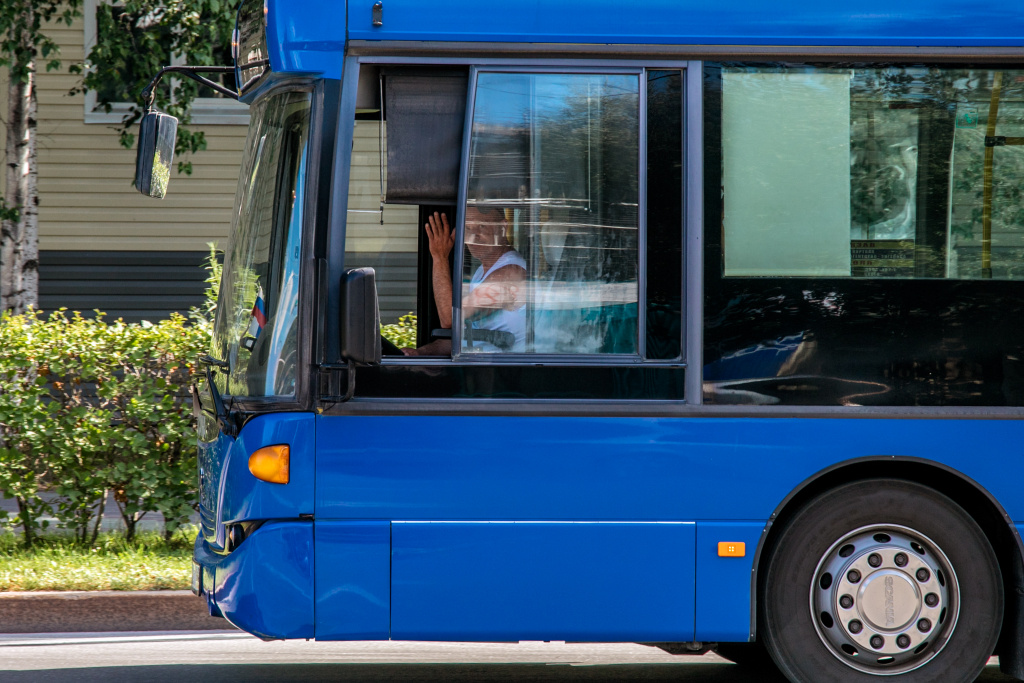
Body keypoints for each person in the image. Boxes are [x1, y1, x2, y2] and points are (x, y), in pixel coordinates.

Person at [402, 206, 526, 356]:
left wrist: (440, 257)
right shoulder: (481, 272)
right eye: (467, 228)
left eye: (482, 226)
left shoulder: (511, 272)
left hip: (506, 368)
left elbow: (450, 319)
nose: (473, 236)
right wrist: (419, 353)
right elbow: (461, 339)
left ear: (502, 228)